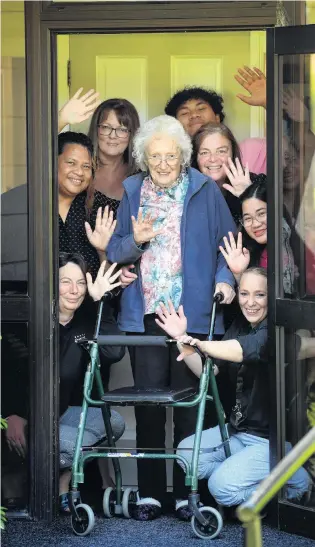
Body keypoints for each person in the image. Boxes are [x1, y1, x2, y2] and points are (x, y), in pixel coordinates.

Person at [106, 114, 236, 521]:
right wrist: (136, 241)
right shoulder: (133, 191)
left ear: (183, 157)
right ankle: (148, 495)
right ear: (144, 157)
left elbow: (226, 244)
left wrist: (227, 279)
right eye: (155, 155)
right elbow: (114, 251)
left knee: (185, 407)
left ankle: (184, 494)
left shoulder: (203, 190)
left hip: (191, 315)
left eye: (171, 155)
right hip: (145, 313)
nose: (163, 163)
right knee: (147, 404)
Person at [155, 267, 311, 508]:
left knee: (221, 488)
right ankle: (251, 476)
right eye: (244, 294)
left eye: (260, 295)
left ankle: (296, 485)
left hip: (271, 442)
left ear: (272, 296)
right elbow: (210, 371)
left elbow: (242, 350)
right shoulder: (240, 324)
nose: (250, 303)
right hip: (237, 432)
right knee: (186, 455)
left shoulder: (278, 330)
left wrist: (201, 344)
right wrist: (181, 338)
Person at [2, 253, 126, 513]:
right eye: (65, 282)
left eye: (80, 283)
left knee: (113, 422)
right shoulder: (26, 322)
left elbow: (114, 352)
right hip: (25, 418)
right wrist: (10, 414)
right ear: (49, 283)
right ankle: (50, 487)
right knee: (74, 443)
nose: (74, 290)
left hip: (62, 414)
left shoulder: (85, 318)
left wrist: (100, 301)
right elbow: (9, 374)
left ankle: (63, 481)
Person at [58, 89, 140, 208]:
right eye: (106, 127)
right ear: (96, 129)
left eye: (122, 130)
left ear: (131, 134)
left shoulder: (141, 181)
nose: (113, 136)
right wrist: (61, 120)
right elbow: (39, 159)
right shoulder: (76, 169)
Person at [220, 181, 296, 296]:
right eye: (248, 218)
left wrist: (250, 191)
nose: (255, 224)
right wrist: (238, 274)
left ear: (276, 211)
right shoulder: (243, 255)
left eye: (261, 214)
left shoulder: (291, 240)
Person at [58, 131, 117, 279]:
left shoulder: (103, 210)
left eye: (86, 166)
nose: (79, 172)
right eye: (71, 163)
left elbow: (113, 284)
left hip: (91, 300)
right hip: (40, 300)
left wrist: (103, 251)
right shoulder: (33, 203)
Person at [192, 122, 266, 223]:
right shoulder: (186, 190)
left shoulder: (257, 183)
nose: (213, 159)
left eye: (221, 151)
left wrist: (248, 194)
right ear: (196, 158)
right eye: (204, 152)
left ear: (232, 153)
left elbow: (280, 230)